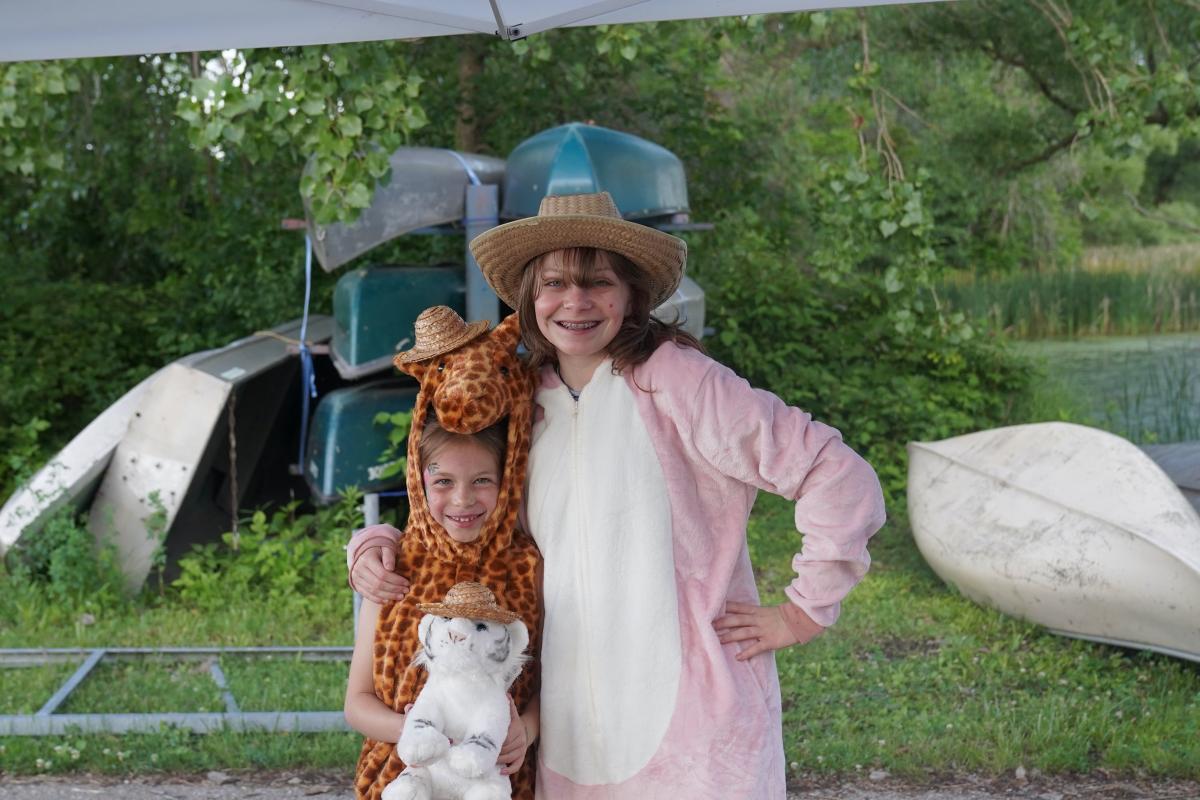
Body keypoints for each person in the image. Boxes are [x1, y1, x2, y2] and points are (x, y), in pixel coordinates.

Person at [350, 191, 886, 799]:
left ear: (632, 294)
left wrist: (802, 611)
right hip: (573, 731)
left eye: (598, 282)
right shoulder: (522, 401)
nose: (575, 302)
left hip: (695, 727)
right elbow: (462, 511)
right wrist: (375, 543)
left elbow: (836, 475)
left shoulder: (677, 380)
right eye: (554, 283)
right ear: (528, 297)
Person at [345, 308, 542, 800]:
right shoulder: (393, 570)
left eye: (483, 481)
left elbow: (552, 683)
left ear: (508, 479)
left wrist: (525, 730)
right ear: (419, 480)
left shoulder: (527, 567)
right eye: (444, 482)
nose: (462, 500)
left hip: (496, 778)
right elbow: (357, 702)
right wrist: (422, 735)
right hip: (401, 777)